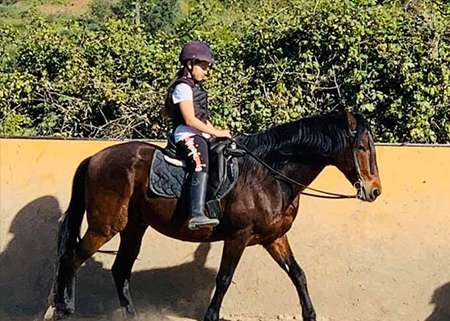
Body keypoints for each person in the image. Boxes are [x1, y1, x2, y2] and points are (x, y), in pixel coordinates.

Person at [165, 40, 231, 230]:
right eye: (203, 67)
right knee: (200, 162)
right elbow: (190, 120)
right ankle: (196, 214)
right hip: (186, 135)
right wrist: (216, 132)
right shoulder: (183, 88)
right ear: (189, 64)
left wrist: (219, 135)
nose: (206, 71)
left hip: (199, 133)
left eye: (207, 67)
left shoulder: (197, 89)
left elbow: (202, 119)